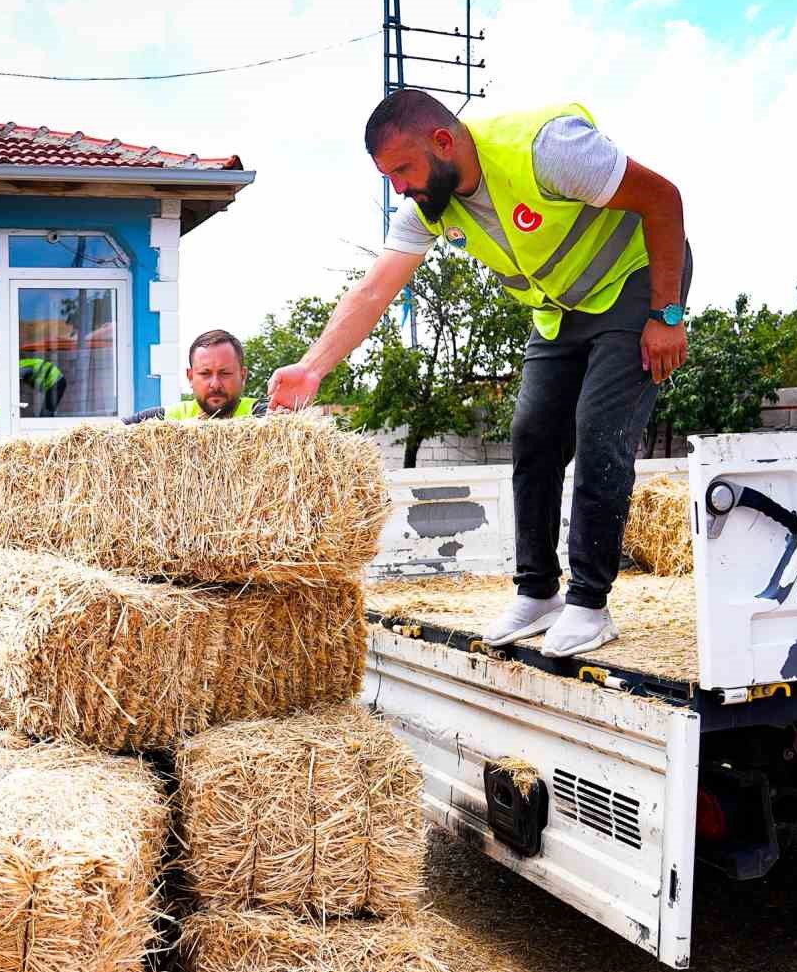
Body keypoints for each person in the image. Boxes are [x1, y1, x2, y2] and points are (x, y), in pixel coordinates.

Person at [268, 90, 693, 658]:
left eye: (403, 169)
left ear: (443, 142)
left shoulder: (550, 150)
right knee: (534, 435)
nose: (399, 186)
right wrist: (312, 367)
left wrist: (666, 315)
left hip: (636, 282)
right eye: (388, 175)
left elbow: (664, 200)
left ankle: (590, 603)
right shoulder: (428, 206)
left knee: (599, 433)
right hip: (562, 309)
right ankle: (538, 592)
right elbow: (374, 288)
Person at [124, 329, 267, 424]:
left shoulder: (261, 413)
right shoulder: (167, 418)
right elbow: (109, 434)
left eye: (225, 373)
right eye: (205, 374)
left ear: (243, 376)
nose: (215, 384)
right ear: (190, 377)